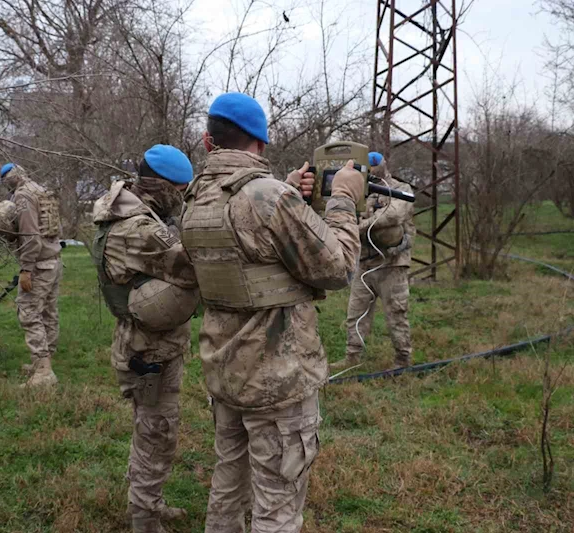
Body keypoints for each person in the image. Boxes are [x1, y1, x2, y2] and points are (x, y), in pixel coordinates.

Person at [181, 93, 365, 533]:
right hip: (277, 381)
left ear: (209, 143)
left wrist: (287, 192)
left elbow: (246, 244)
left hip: (225, 372)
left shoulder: (195, 198)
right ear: (260, 144)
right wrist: (342, 200)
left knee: (227, 488)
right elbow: (337, 267)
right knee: (277, 506)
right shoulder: (269, 199)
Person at [92, 145, 199, 533]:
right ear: (163, 187)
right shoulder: (142, 230)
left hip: (145, 341)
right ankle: (144, 520)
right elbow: (192, 268)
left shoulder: (133, 212)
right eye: (181, 191)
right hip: (148, 348)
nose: (184, 198)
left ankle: (148, 502)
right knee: (157, 434)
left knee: (150, 429)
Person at [330, 152, 416, 373]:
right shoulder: (359, 191)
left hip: (392, 263)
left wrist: (361, 226)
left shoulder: (401, 188)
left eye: (373, 165)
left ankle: (403, 360)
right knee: (355, 314)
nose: (370, 169)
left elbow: (394, 215)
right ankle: (352, 356)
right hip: (365, 264)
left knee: (396, 313)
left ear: (382, 166)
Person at [0, 163, 63, 387]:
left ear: (8, 180)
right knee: (48, 312)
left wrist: (26, 269)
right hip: (54, 260)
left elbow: (30, 236)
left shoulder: (23, 197)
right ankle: (44, 362)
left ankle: (43, 371)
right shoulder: (41, 190)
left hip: (38, 265)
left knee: (28, 312)